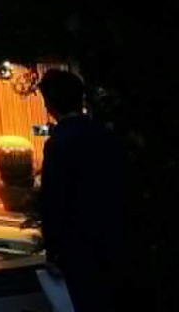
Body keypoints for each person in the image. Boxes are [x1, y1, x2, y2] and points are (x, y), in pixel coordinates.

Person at [37, 69, 123, 311]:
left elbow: (54, 201)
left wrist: (54, 251)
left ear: (50, 104)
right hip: (113, 239)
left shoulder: (59, 144)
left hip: (78, 248)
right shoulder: (106, 135)